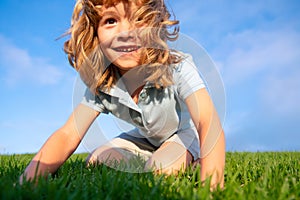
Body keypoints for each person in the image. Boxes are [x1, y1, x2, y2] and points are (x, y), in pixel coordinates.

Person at [20, 0, 225, 189]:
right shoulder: (103, 82)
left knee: (161, 170)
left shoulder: (177, 66)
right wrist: (26, 182)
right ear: (95, 33)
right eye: (111, 21)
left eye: (139, 19)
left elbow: (207, 121)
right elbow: (68, 134)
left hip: (184, 134)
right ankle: (156, 158)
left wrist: (212, 188)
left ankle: (190, 161)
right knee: (96, 161)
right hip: (145, 138)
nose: (126, 33)